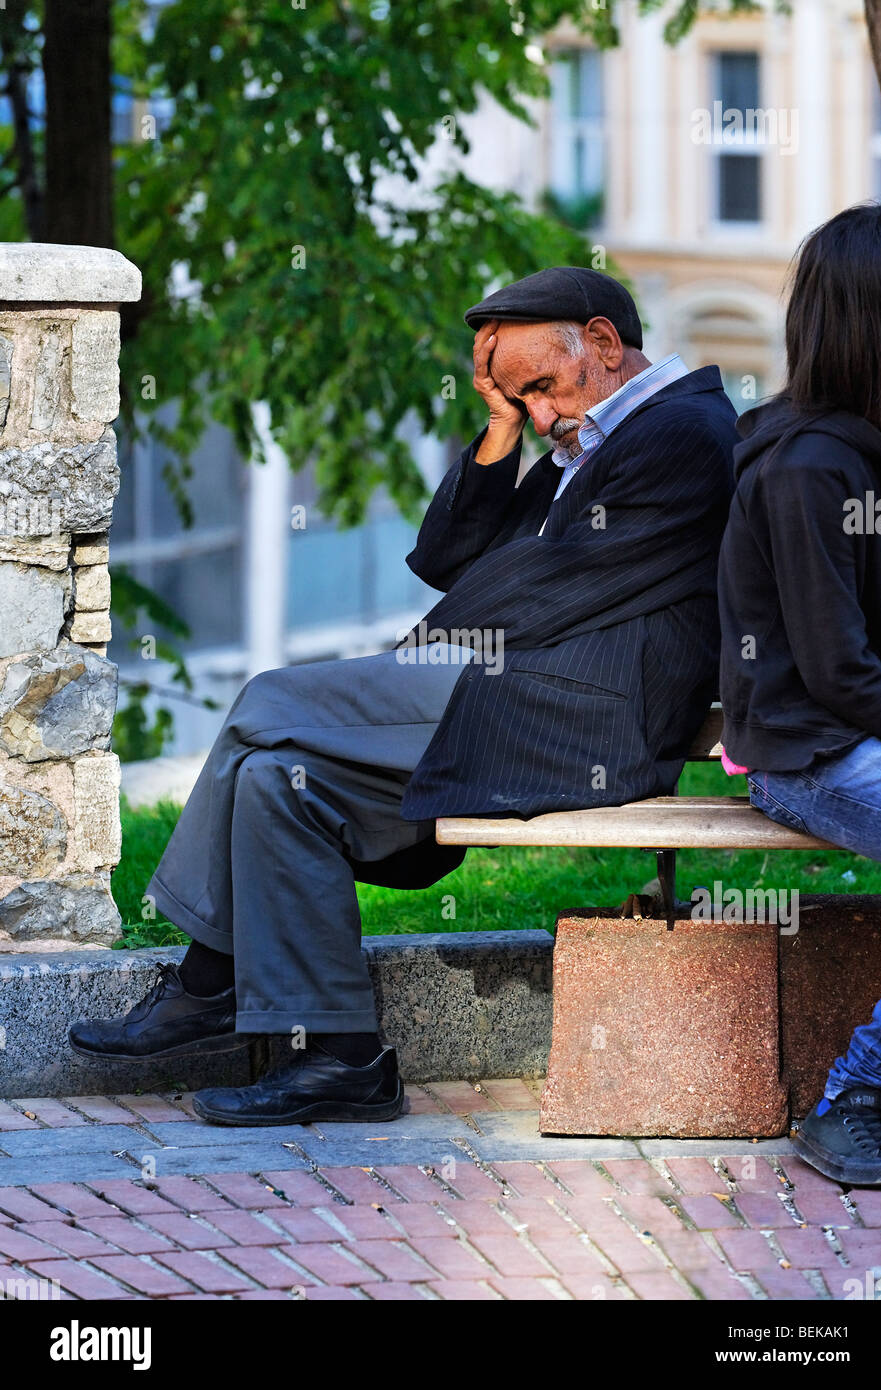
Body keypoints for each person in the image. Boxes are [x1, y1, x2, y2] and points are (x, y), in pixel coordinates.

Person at [70, 266, 737, 1126]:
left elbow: (550, 588)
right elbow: (449, 557)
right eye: (516, 397)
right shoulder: (581, 443)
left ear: (605, 343)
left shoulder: (683, 431)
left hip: (582, 722)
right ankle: (341, 1061)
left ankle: (202, 986)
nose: (539, 413)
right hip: (519, 694)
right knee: (280, 785)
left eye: (541, 385)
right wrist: (500, 427)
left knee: (268, 702)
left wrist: (421, 650)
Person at [718, 203, 881, 1185]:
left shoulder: (865, 450)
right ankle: (853, 1100)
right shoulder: (808, 467)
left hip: (857, 736)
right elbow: (840, 674)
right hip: (808, 755)